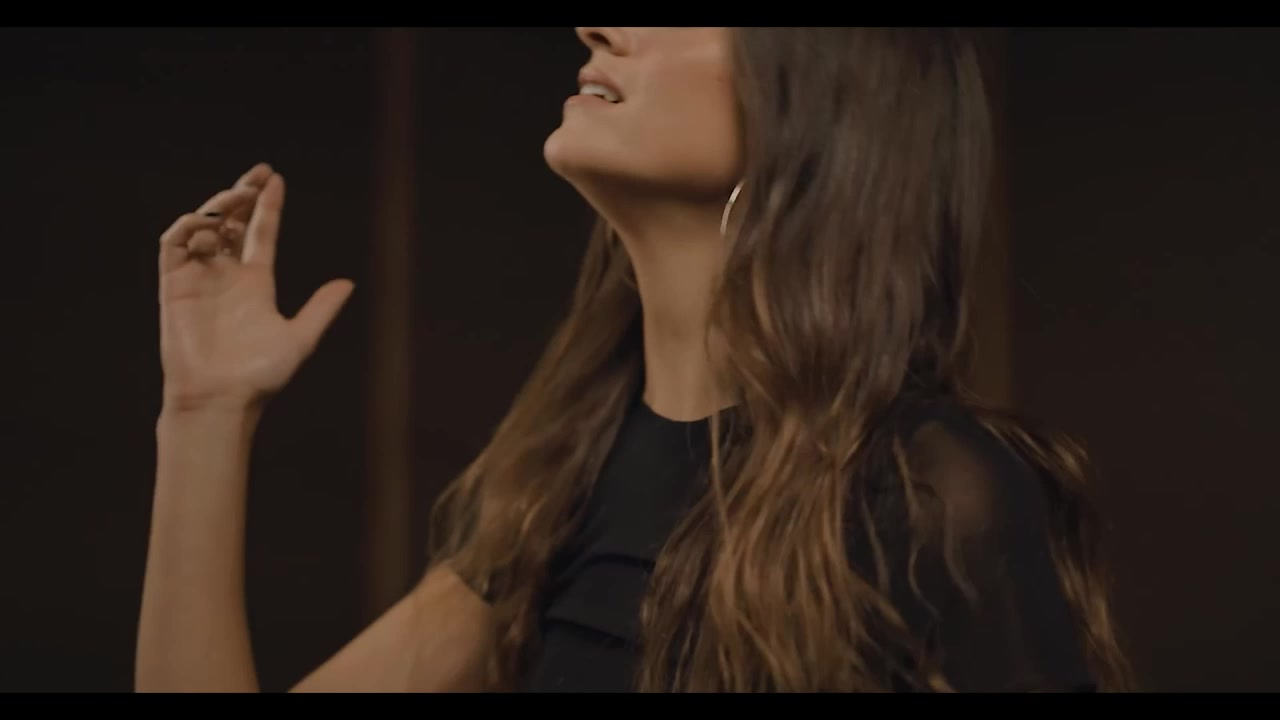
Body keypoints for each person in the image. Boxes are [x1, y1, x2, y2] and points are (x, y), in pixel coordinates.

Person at [137, 27, 1133, 693]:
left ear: (814, 109)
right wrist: (205, 412)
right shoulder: (556, 485)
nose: (597, 28)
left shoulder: (930, 495)